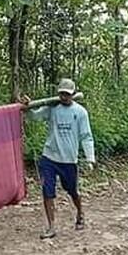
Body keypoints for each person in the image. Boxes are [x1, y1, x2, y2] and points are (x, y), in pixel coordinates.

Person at [23, 79, 95, 239]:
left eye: (67, 94)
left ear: (73, 94)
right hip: (49, 157)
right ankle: (51, 226)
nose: (64, 97)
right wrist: (27, 107)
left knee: (72, 191)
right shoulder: (52, 108)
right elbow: (34, 116)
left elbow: (86, 136)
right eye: (61, 93)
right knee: (47, 191)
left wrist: (90, 158)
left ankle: (80, 213)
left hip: (69, 160)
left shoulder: (80, 112)